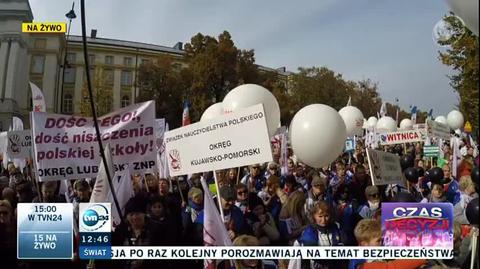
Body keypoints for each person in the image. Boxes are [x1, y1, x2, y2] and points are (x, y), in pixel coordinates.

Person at [348, 219, 427, 269]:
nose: (382, 243)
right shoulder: (362, 264)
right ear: (364, 244)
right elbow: (389, 267)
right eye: (378, 241)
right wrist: (422, 257)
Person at [297, 201, 346, 269]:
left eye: (326, 216)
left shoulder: (337, 228)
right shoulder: (308, 233)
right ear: (314, 216)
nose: (323, 220)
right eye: (320, 216)